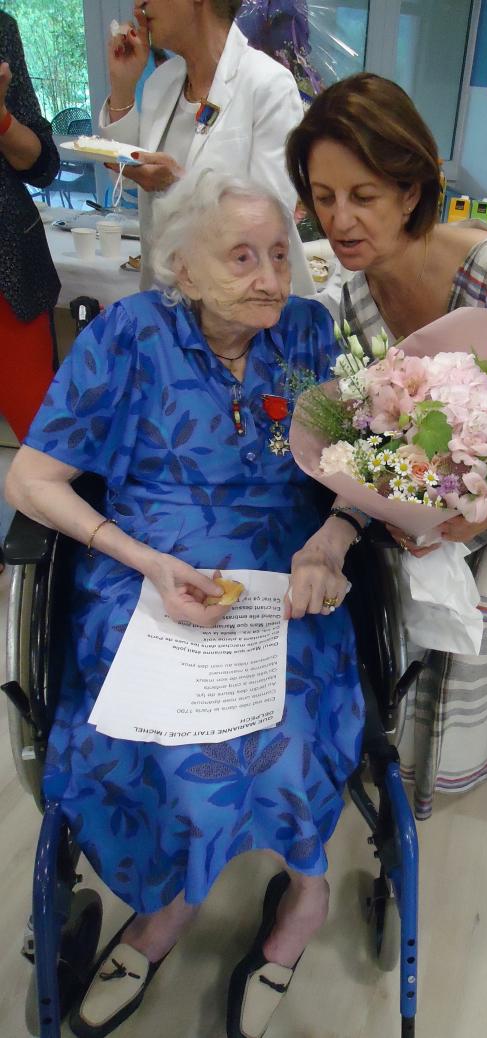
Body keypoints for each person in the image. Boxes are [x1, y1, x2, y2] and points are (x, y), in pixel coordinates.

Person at [5, 171, 364, 1038]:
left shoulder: (313, 336)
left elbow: (372, 472)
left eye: (280, 254)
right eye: (240, 256)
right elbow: (31, 477)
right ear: (182, 269)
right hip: (147, 571)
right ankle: (170, 907)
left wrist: (336, 535)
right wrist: (143, 560)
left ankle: (304, 899)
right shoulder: (130, 336)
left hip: (286, 573)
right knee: (154, 742)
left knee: (290, 739)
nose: (271, 276)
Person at [286, 72, 487, 819]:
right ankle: (408, 764)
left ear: (410, 190)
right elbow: (375, 427)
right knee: (423, 620)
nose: (341, 220)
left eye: (362, 195)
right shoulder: (355, 299)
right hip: (440, 486)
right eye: (324, 198)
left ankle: (468, 766)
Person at [99, 0, 313, 294]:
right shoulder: (161, 83)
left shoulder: (268, 84)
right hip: (166, 301)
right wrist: (122, 84)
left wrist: (178, 184)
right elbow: (126, 181)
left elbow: (273, 218)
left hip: (241, 307)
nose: (140, 4)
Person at [0, 11, 60, 572]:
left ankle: (53, 570)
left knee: (45, 438)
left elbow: (43, 163)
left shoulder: (0, 28)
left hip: (8, 276)